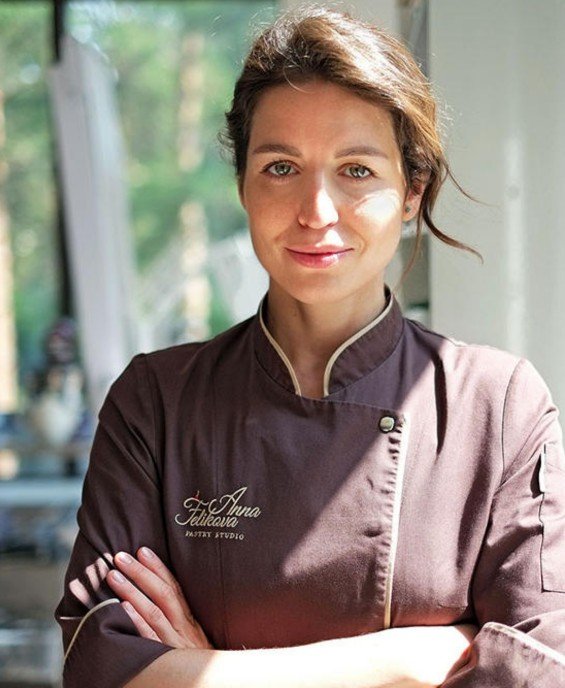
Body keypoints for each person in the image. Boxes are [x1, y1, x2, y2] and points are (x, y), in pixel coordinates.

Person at [55, 7, 565, 688]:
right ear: (242, 183)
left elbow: (537, 667)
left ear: (411, 191)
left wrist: (201, 670)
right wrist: (403, 663)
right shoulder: (157, 401)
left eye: (356, 170)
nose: (316, 211)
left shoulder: (496, 406)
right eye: (280, 167)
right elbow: (98, 663)